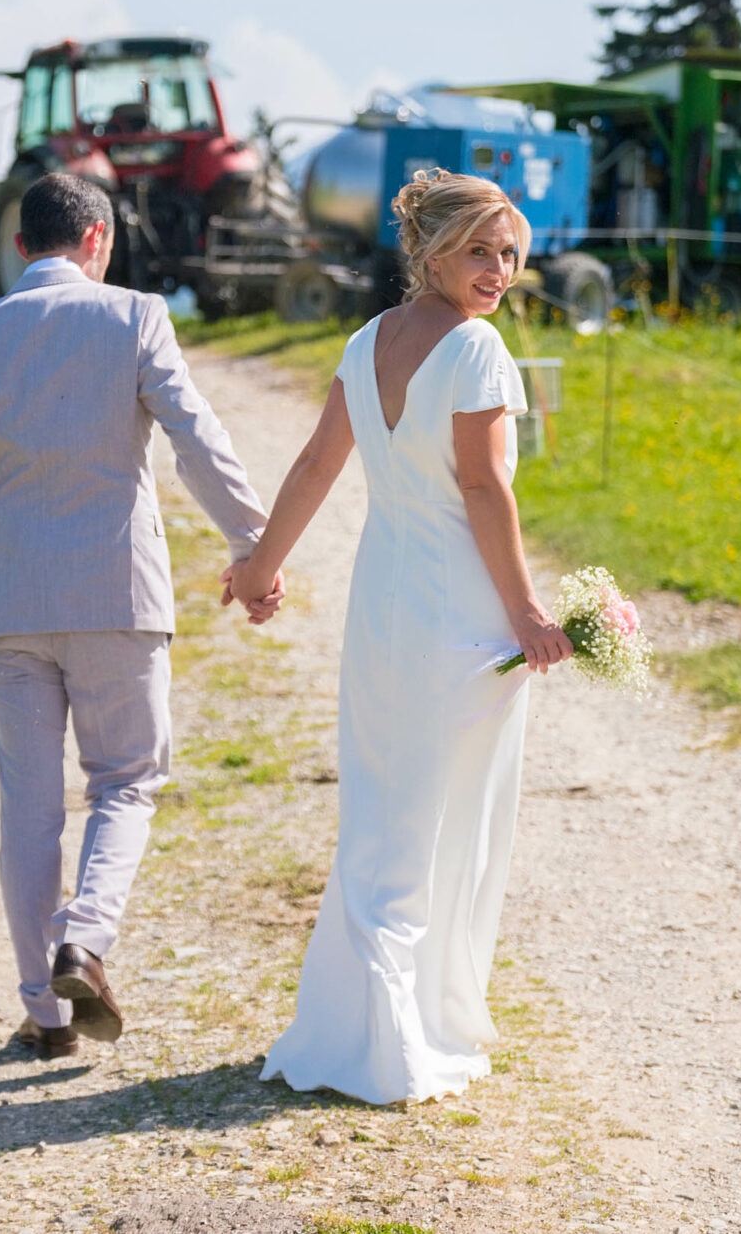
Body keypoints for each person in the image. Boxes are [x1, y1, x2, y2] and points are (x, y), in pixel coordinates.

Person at [227, 168, 572, 1104]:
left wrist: (259, 568)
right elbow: (482, 488)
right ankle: (401, 1030)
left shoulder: (365, 339)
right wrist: (528, 613)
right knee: (446, 809)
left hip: (382, 603)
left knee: (387, 800)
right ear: (431, 252)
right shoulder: (477, 348)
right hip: (461, 610)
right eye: (479, 251)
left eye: (509, 254)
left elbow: (316, 464)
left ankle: (360, 1022)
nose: (498, 270)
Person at [0, 172, 282, 1059]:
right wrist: (253, 546)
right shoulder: (136, 318)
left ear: (20, 246)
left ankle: (46, 1018)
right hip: (119, 594)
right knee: (125, 781)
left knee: (29, 809)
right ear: (99, 240)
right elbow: (196, 438)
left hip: (10, 603)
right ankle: (84, 939)